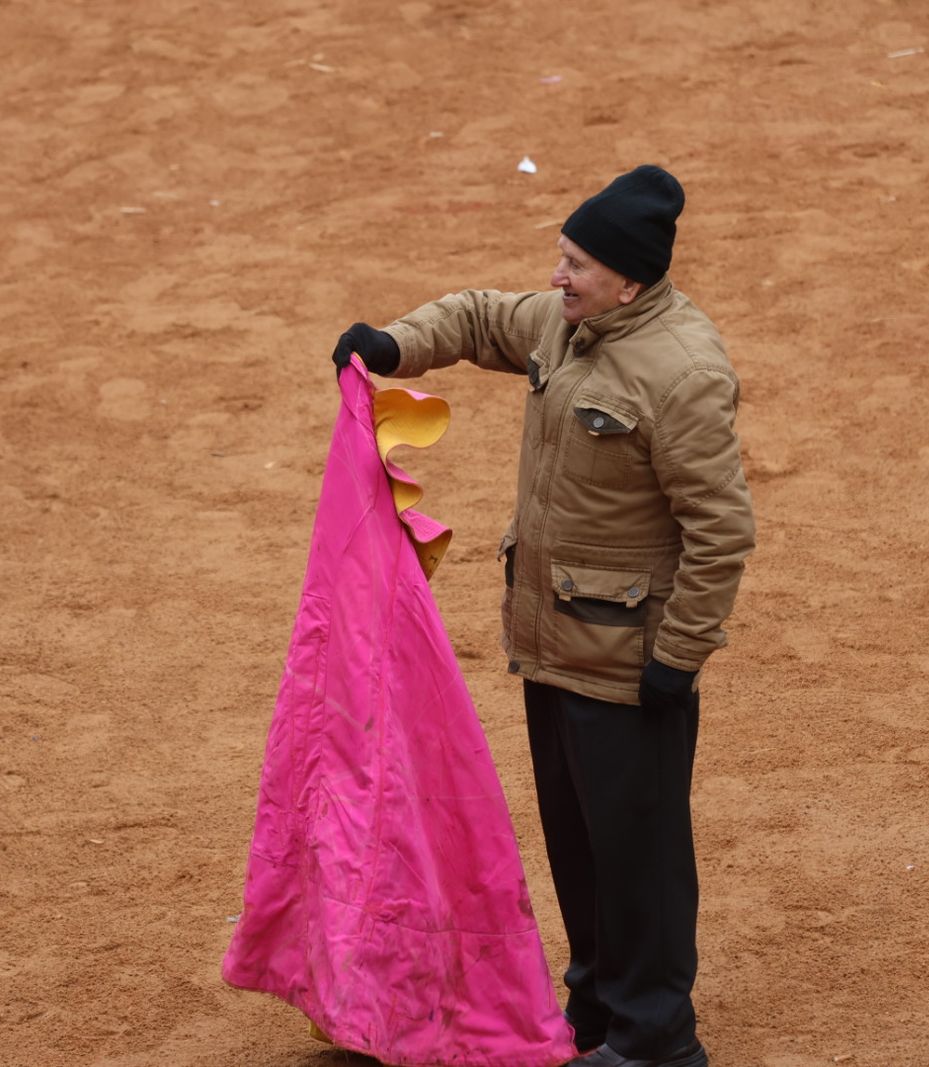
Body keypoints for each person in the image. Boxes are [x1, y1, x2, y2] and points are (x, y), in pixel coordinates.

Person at [329, 165, 755, 1067]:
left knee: (639, 856)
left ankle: (656, 1041)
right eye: (560, 258)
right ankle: (598, 1010)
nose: (557, 277)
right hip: (553, 644)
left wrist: (677, 658)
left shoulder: (682, 370)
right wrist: (394, 344)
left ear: (630, 280)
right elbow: (482, 315)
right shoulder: (570, 326)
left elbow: (721, 531)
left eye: (577, 264)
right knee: (581, 842)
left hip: (630, 661)